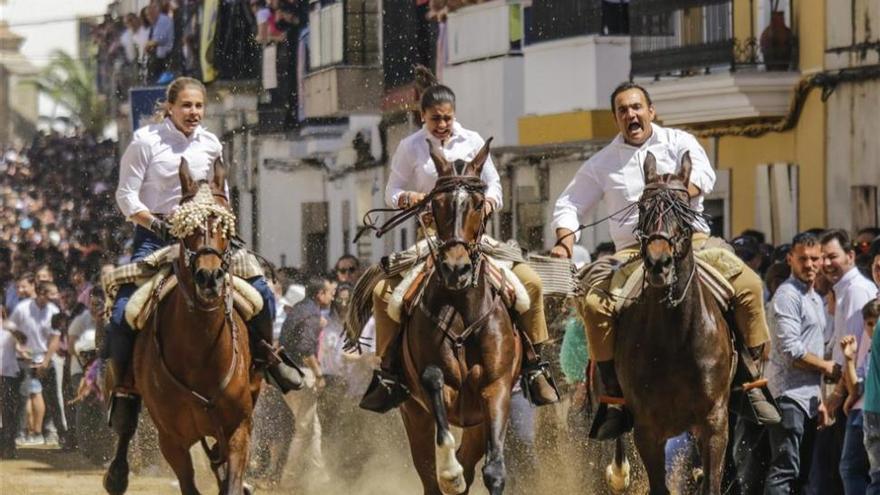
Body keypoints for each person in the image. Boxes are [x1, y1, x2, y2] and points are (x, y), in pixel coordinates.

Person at [550, 81, 778, 439]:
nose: (631, 114)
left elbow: (704, 174)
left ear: (651, 111)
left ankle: (752, 382)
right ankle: (612, 396)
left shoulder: (680, 142)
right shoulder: (602, 163)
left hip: (694, 242)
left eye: (637, 107)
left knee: (749, 284)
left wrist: (673, 192)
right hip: (631, 251)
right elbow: (570, 204)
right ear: (616, 118)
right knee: (594, 305)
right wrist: (565, 241)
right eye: (623, 110)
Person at [106, 76, 300, 432]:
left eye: (198, 106)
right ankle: (125, 390)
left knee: (261, 294)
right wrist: (156, 224)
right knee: (123, 312)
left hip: (208, 239)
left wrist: (224, 229)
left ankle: (267, 357)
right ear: (170, 107)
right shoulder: (144, 141)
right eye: (186, 105)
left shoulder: (211, 143)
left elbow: (221, 193)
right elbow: (126, 196)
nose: (193, 112)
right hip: (156, 236)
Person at [359, 79, 559, 412]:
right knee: (383, 294)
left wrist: (491, 202)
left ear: (454, 115)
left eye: (447, 118)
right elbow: (391, 191)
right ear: (422, 116)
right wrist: (408, 197)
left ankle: (535, 364)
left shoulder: (474, 142)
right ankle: (389, 372)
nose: (442, 125)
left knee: (532, 284)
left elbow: (494, 183)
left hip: (473, 239)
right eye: (435, 118)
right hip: (432, 240)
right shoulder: (410, 147)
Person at [763, 232, 836, 493]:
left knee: (802, 476)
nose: (809, 264)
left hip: (809, 400)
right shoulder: (787, 295)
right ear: (790, 259)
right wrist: (827, 367)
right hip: (788, 397)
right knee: (785, 471)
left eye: (814, 258)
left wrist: (822, 398)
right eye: (803, 259)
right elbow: (791, 351)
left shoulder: (814, 297)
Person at [821, 229, 878, 494]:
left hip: (859, 397)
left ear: (851, 256)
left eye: (832, 256)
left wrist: (841, 395)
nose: (825, 263)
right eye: (823, 257)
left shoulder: (856, 290)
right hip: (856, 396)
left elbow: (853, 351)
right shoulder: (842, 290)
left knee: (853, 470)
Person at [279, 277, 334, 490]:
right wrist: (319, 375)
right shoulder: (311, 314)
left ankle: (320, 475)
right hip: (301, 375)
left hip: (287, 374)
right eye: (329, 292)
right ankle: (289, 478)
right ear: (319, 295)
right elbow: (305, 350)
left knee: (313, 427)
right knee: (304, 429)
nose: (332, 296)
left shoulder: (300, 309)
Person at [841, 300, 880, 494]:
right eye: (869, 323)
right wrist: (849, 359)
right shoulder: (872, 347)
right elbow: (858, 384)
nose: (873, 327)